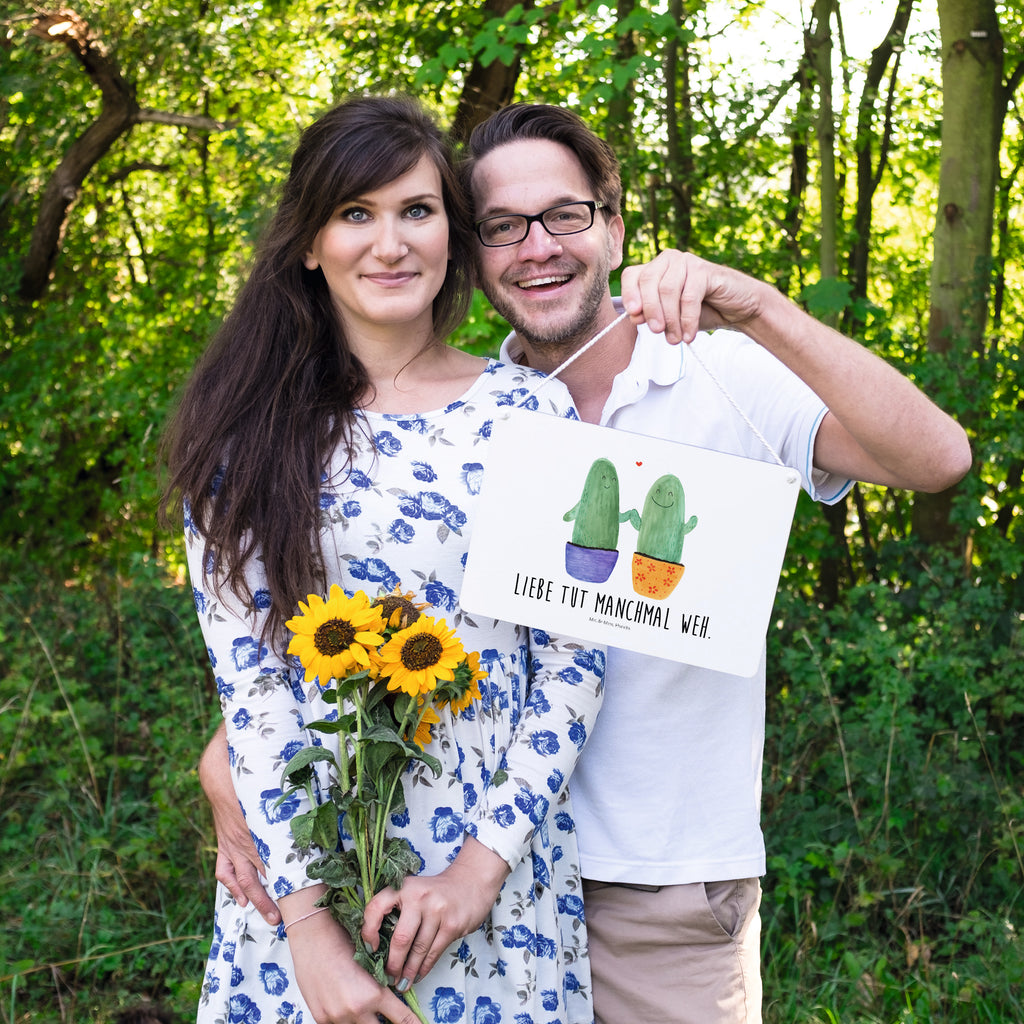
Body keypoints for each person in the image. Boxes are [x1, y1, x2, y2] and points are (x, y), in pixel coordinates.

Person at [202, 102, 972, 1024]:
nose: (537, 247)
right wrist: (235, 771)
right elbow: (330, 634)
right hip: (418, 875)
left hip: (650, 887)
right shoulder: (458, 416)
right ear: (474, 250)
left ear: (612, 225)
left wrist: (759, 306)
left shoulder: (710, 374)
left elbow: (937, 461)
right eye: (502, 226)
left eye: (565, 215)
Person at [163, 96, 607, 1024]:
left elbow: (573, 661)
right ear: (309, 244)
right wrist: (311, 937)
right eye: (355, 214)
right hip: (301, 886)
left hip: (492, 886)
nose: (390, 243)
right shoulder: (244, 437)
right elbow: (253, 690)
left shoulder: (532, 415)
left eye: (417, 210)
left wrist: (478, 873)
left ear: (452, 230)